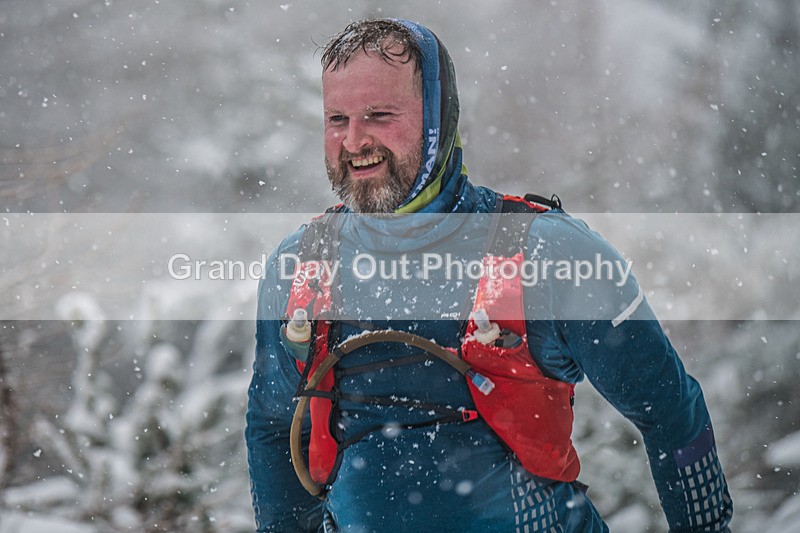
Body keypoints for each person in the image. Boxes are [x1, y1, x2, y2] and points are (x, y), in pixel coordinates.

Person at [246, 18, 733, 532]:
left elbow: (669, 409)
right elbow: (273, 430)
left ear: (438, 119)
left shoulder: (548, 254)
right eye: (337, 119)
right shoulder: (301, 269)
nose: (353, 140)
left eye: (379, 115)